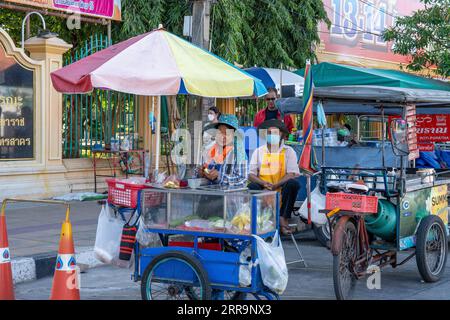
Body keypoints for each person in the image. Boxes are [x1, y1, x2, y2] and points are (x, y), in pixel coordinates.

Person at [248, 119, 301, 235]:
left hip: (281, 188)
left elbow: (292, 173)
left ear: (282, 135)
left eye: (275, 133)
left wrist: (276, 185)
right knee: (252, 185)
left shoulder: (289, 151)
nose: (272, 136)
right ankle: (258, 220)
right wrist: (264, 184)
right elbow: (251, 174)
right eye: (269, 133)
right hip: (264, 188)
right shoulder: (258, 152)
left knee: (293, 184)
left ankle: (283, 218)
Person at [199, 114, 247, 187]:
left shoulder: (239, 153)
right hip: (208, 194)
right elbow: (200, 170)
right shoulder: (209, 150)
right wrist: (201, 173)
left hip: (230, 196)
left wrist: (220, 176)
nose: (223, 136)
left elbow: (242, 180)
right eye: (220, 132)